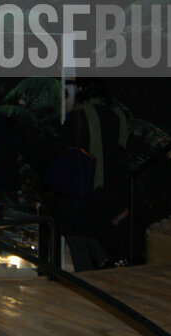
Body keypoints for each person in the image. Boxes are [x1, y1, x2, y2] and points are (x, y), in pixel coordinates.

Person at [44, 81, 128, 271]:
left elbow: (60, 149)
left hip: (80, 188)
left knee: (74, 231)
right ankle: (103, 261)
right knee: (90, 230)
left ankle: (86, 278)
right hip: (107, 190)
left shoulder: (78, 116)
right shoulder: (116, 115)